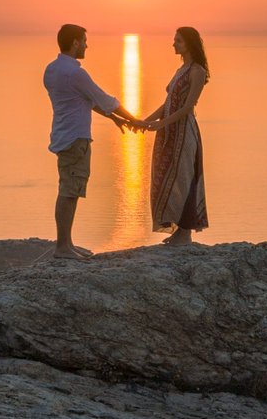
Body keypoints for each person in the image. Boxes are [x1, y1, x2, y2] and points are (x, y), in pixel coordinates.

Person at [43, 23, 141, 260]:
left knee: (70, 189)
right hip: (76, 138)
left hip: (63, 135)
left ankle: (65, 244)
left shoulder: (52, 69)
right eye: (84, 40)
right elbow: (103, 98)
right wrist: (134, 119)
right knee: (69, 191)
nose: (87, 45)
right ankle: (63, 247)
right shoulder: (75, 73)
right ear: (75, 42)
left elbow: (85, 100)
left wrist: (113, 118)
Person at [143, 27, 209, 245]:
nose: (174, 44)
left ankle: (185, 231)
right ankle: (178, 229)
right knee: (166, 178)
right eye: (174, 40)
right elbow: (168, 103)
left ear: (189, 44)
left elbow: (188, 107)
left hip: (184, 132)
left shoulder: (197, 71)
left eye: (178, 41)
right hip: (169, 132)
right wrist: (146, 121)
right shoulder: (181, 69)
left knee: (184, 178)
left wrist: (160, 123)